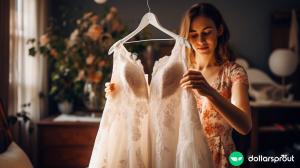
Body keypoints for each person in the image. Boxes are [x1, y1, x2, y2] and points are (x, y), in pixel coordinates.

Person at [105, 3, 251, 168]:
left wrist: (210, 92)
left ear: (220, 30)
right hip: (183, 154)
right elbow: (152, 104)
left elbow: (245, 126)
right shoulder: (178, 70)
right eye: (193, 34)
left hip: (221, 157)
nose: (201, 40)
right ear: (186, 37)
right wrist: (120, 93)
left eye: (207, 32)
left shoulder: (233, 72)